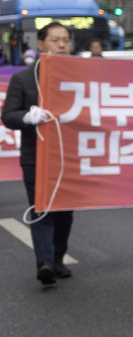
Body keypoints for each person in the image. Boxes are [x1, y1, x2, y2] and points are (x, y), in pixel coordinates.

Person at [1, 22, 77, 286]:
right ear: (41, 44)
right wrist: (27, 116)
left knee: (64, 211)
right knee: (41, 207)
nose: (61, 45)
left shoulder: (80, 76)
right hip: (36, 156)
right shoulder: (23, 79)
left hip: (71, 156)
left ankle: (57, 259)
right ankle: (44, 262)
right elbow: (8, 116)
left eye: (66, 40)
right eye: (55, 40)